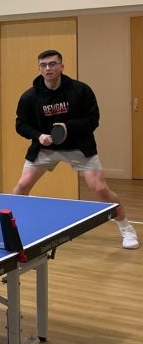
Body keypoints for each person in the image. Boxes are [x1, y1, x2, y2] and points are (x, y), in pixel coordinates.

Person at [14, 49, 138, 250]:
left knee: (100, 189)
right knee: (21, 188)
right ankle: (14, 232)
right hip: (45, 148)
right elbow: (21, 125)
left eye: (53, 64)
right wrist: (39, 136)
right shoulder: (30, 97)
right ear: (39, 69)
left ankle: (126, 228)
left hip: (79, 146)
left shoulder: (80, 90)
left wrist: (67, 127)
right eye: (44, 65)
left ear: (62, 66)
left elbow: (93, 120)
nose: (48, 68)